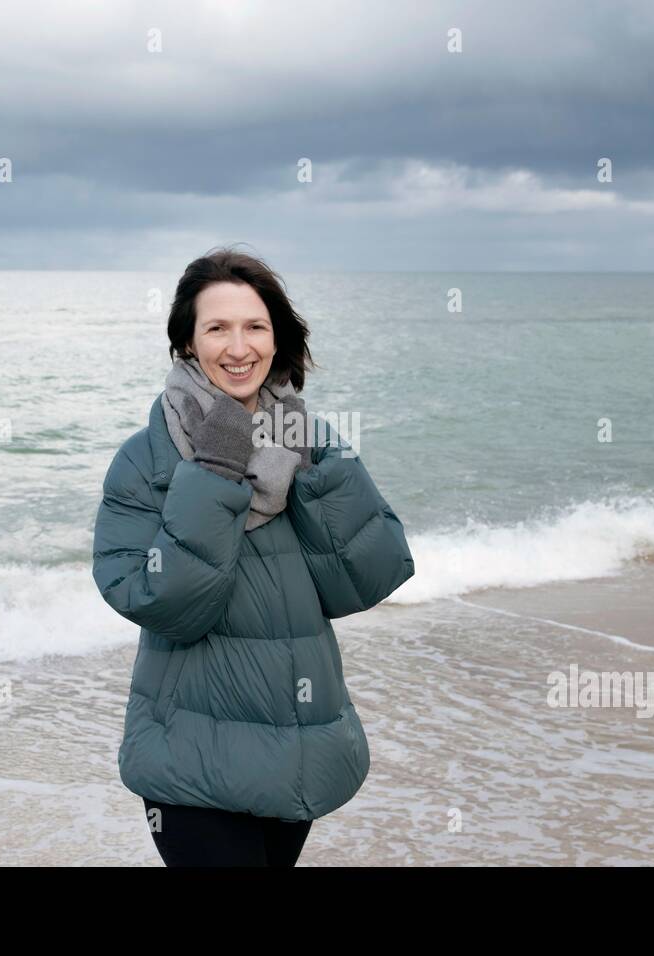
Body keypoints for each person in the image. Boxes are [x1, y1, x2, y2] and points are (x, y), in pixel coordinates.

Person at [92, 246, 415, 866]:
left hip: (295, 750)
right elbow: (161, 603)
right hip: (190, 756)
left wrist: (315, 473)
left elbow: (368, 578)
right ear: (187, 344)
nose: (237, 347)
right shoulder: (148, 459)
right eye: (216, 328)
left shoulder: (311, 442)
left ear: (277, 339)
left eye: (254, 326)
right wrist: (215, 471)